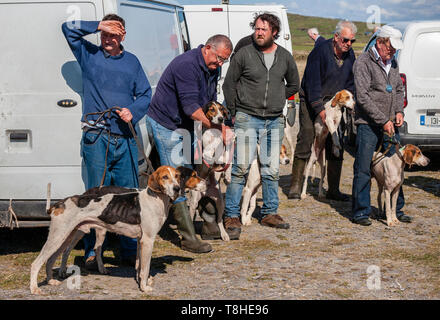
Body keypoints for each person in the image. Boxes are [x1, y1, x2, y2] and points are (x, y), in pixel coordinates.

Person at [62, 14, 152, 268]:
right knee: (94, 196)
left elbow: (146, 94)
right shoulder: (88, 54)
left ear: (123, 35)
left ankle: (130, 249)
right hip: (96, 136)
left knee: (127, 194)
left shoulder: (132, 62)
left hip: (124, 138)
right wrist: (98, 25)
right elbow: (67, 28)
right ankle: (92, 251)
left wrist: (133, 110)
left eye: (114, 34)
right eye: (105, 34)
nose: (108, 39)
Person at [146, 34, 233, 253]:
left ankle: (210, 225)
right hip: (167, 124)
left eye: (224, 60)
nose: (220, 64)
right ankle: (187, 237)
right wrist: (218, 129)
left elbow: (209, 101)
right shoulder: (186, 65)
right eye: (219, 58)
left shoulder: (213, 67)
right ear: (207, 48)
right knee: (178, 177)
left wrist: (223, 124)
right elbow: (190, 107)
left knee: (198, 173)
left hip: (187, 126)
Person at [222, 13, 300, 239]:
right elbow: (229, 85)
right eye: (256, 28)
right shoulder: (244, 55)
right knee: (240, 169)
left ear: (274, 32)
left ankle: (269, 213)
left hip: (274, 119)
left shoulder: (285, 57)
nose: (259, 32)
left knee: (271, 169)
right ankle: (232, 216)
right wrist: (236, 112)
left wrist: (277, 98)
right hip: (247, 117)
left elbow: (294, 84)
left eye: (263, 29)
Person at [288, 20, 357, 201]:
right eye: (345, 40)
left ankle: (333, 189)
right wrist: (320, 109)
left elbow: (350, 84)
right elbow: (312, 84)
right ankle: (295, 186)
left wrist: (349, 104)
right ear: (336, 37)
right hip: (311, 100)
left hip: (335, 102)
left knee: (336, 142)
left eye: (352, 41)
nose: (348, 44)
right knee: (307, 137)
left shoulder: (350, 57)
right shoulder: (319, 52)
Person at [351, 25, 412, 226]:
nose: (393, 51)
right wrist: (383, 120)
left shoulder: (393, 63)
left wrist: (398, 112)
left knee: (397, 166)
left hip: (390, 125)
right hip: (368, 124)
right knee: (363, 168)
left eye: (395, 48)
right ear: (380, 42)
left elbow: (398, 90)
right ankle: (361, 211)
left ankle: (396, 209)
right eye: (390, 47)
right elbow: (363, 97)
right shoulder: (363, 63)